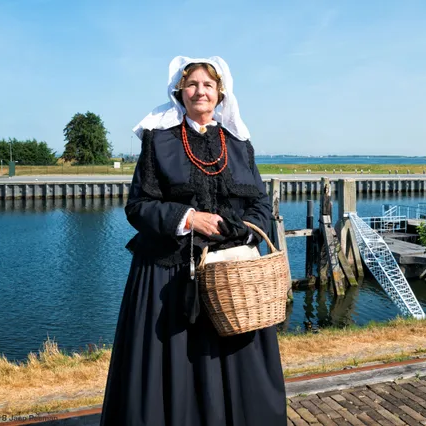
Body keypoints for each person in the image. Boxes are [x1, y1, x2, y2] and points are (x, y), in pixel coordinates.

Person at [100, 56, 287, 426]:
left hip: (233, 277)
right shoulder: (159, 141)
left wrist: (245, 228)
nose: (200, 91)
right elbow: (138, 206)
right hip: (169, 275)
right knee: (175, 359)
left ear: (220, 94)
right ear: (179, 92)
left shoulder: (238, 143)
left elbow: (260, 203)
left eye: (207, 85)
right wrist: (188, 218)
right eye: (192, 84)